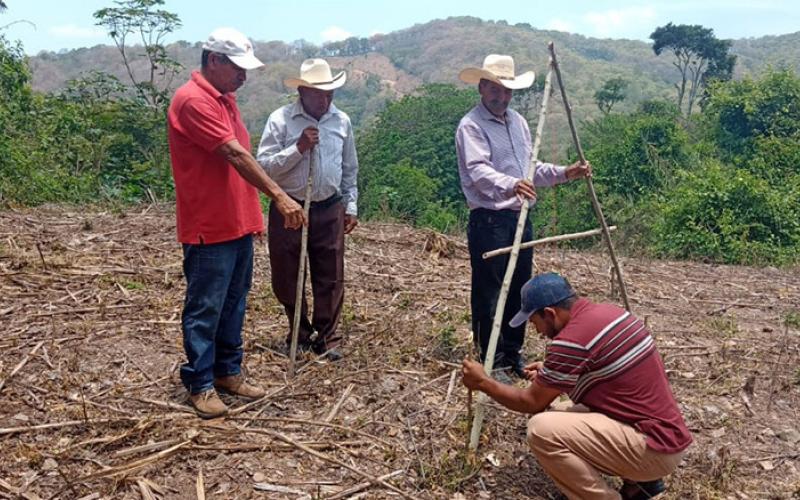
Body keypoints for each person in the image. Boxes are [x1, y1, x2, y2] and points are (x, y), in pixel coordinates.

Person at [167, 27, 305, 418]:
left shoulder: (224, 99)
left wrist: (253, 214)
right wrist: (278, 195)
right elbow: (235, 153)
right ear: (214, 60)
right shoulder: (194, 101)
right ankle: (200, 381)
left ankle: (228, 371)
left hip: (236, 221)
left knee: (234, 301)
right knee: (206, 305)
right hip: (208, 224)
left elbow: (239, 153)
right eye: (237, 68)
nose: (244, 76)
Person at [462, 273, 693, 499]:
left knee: (542, 430)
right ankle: (640, 485)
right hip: (663, 436)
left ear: (550, 313)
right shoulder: (609, 313)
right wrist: (552, 373)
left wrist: (483, 382)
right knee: (561, 412)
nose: (538, 332)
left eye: (535, 322)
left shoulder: (571, 341)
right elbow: (610, 378)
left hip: (654, 447)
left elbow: (530, 402)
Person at [456, 54, 591, 380]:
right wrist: (513, 185)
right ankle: (491, 358)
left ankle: (512, 353)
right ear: (482, 87)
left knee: (519, 289)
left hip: (520, 218)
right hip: (490, 219)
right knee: (489, 293)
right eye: (495, 90)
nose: (501, 97)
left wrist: (565, 173)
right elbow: (478, 173)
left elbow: (532, 169)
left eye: (507, 91)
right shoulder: (471, 126)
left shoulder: (517, 123)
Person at [257, 58, 358, 361]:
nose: (325, 99)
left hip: (329, 206)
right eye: (317, 93)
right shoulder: (281, 120)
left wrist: (350, 204)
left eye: (329, 93)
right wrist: (298, 148)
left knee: (331, 273)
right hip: (290, 206)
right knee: (288, 273)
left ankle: (327, 337)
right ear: (301, 91)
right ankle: (299, 331)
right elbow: (264, 168)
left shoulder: (341, 121)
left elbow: (350, 167)